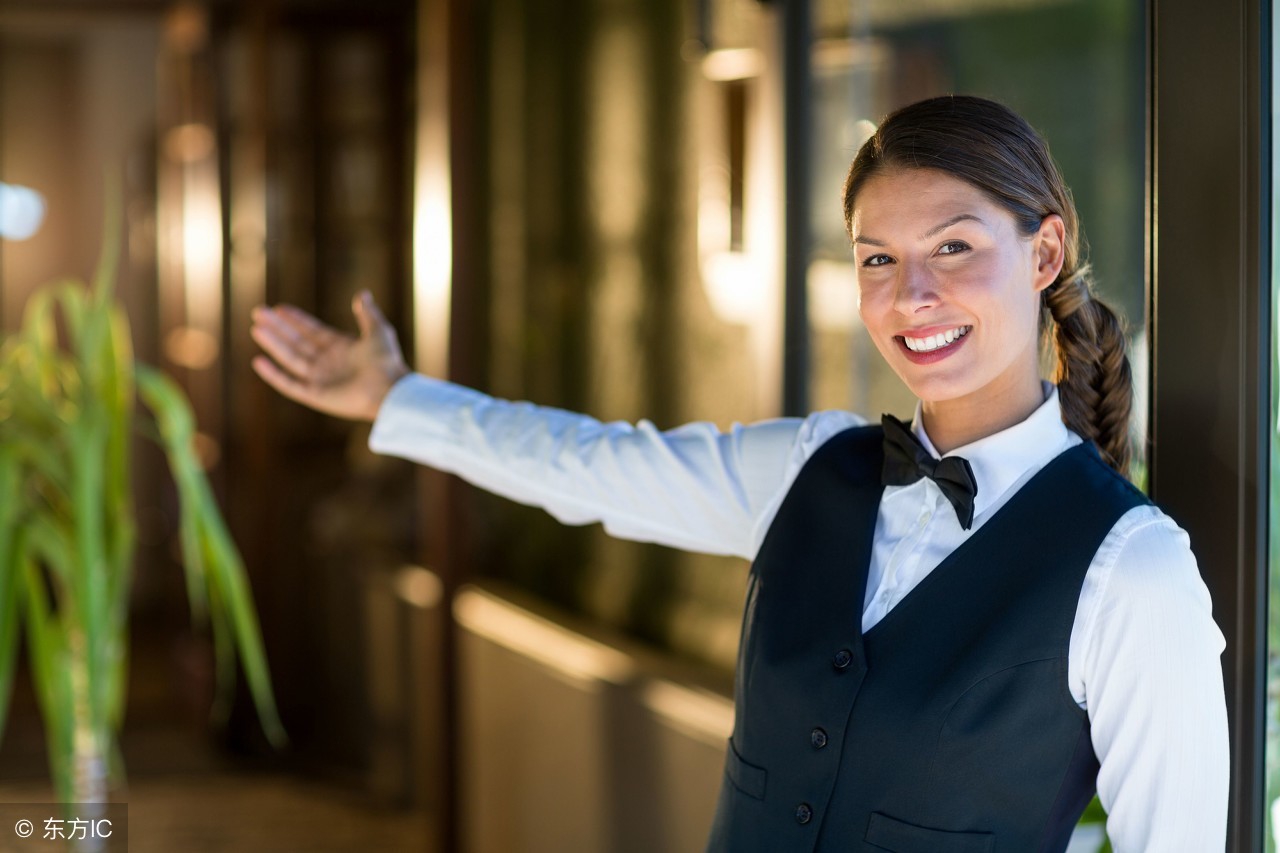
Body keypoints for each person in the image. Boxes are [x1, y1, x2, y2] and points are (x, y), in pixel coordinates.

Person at [250, 94, 1228, 852]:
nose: (911, 293)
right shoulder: (809, 470)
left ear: (1042, 249)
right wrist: (397, 398)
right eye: (876, 257)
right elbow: (587, 464)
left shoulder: (1131, 571)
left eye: (953, 247)